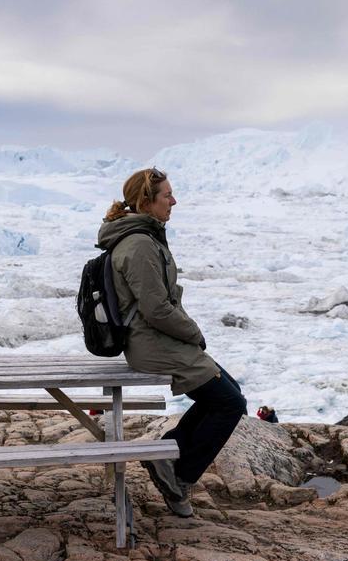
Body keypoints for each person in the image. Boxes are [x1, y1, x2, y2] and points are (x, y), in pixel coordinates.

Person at [97, 167, 247, 517]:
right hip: (152, 343)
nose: (173, 201)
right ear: (146, 201)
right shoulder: (139, 245)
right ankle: (177, 473)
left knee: (229, 394)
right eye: (167, 195)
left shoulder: (144, 237)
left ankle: (168, 456)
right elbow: (156, 308)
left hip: (159, 339)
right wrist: (193, 333)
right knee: (229, 402)